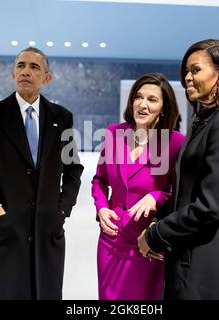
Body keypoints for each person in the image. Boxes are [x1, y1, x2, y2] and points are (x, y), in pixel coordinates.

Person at [0, 47, 84, 300]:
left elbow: (73, 168)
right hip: (8, 230)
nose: (26, 71)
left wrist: (62, 209)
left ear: (47, 77)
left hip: (49, 232)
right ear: (12, 73)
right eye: (21, 65)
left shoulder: (62, 117)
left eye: (35, 67)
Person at [138, 39, 219, 300]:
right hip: (191, 247)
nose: (187, 78)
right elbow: (186, 189)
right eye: (186, 72)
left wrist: (156, 235)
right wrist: (160, 219)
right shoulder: (205, 119)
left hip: (209, 255)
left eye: (195, 70)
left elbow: (210, 206)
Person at [91, 73, 185, 300]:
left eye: (152, 99)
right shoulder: (114, 132)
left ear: (163, 108)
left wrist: (157, 196)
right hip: (111, 238)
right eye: (138, 97)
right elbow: (99, 180)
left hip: (147, 241)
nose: (143, 104)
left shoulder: (175, 142)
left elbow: (180, 191)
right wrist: (102, 209)